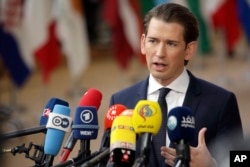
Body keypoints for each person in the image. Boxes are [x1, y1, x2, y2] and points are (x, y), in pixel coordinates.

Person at [107, 3, 244, 167]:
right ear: (143, 43)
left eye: (171, 44)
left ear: (189, 50)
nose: (160, 53)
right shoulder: (121, 102)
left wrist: (212, 164)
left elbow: (242, 160)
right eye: (153, 41)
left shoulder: (221, 102)